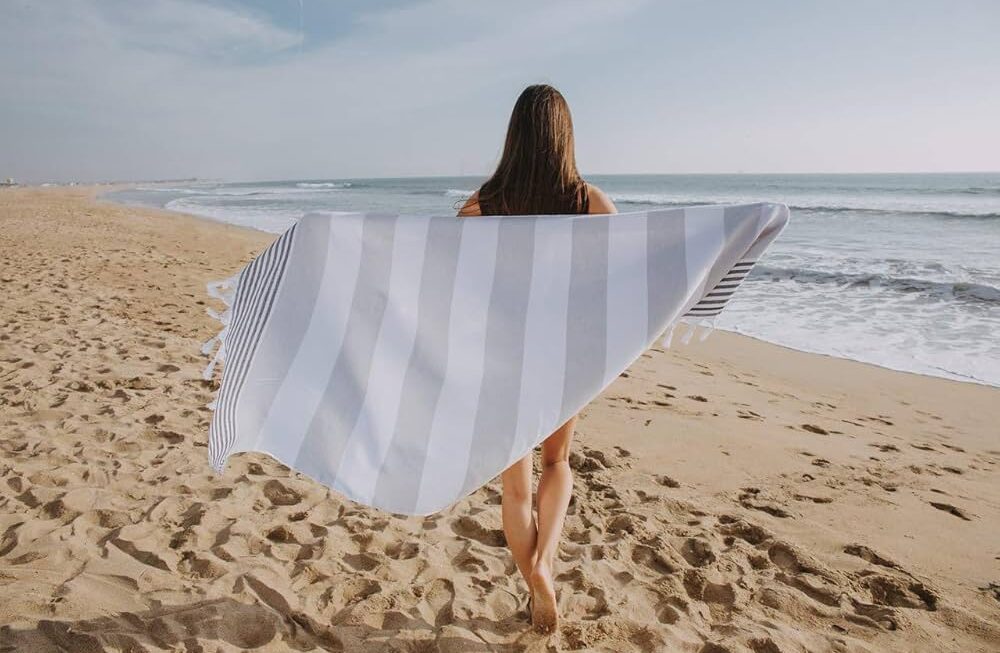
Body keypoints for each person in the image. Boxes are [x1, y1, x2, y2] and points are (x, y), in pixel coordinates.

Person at [457, 83, 617, 633]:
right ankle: (546, 562)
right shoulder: (590, 202)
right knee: (557, 463)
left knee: (515, 484)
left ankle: (533, 581)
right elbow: (620, 279)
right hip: (566, 354)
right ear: (565, 137)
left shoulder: (482, 206)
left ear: (515, 136)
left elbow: (453, 283)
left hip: (503, 356)